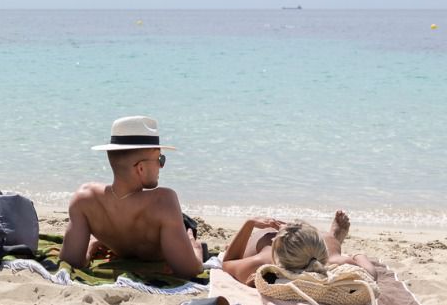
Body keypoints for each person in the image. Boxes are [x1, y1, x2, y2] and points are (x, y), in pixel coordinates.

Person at [60, 115, 203, 278]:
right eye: (160, 159)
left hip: (115, 239)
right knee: (188, 227)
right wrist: (195, 250)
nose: (161, 166)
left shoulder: (84, 199)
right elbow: (189, 270)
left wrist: (91, 246)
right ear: (141, 169)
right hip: (168, 234)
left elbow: (71, 262)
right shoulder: (163, 202)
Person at [220, 211, 376, 285]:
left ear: (276, 246)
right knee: (329, 243)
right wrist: (358, 256)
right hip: (316, 253)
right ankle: (333, 237)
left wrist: (250, 223)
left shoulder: (261, 262)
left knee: (256, 240)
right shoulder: (332, 261)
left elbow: (227, 262)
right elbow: (370, 275)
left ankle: (329, 237)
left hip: (270, 251)